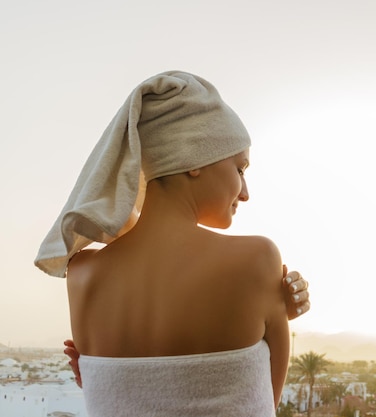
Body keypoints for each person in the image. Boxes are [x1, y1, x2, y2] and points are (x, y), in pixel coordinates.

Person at [35, 70, 310, 416]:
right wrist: (277, 310)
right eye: (239, 169)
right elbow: (263, 404)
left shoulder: (82, 273)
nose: (245, 192)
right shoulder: (256, 259)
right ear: (194, 160)